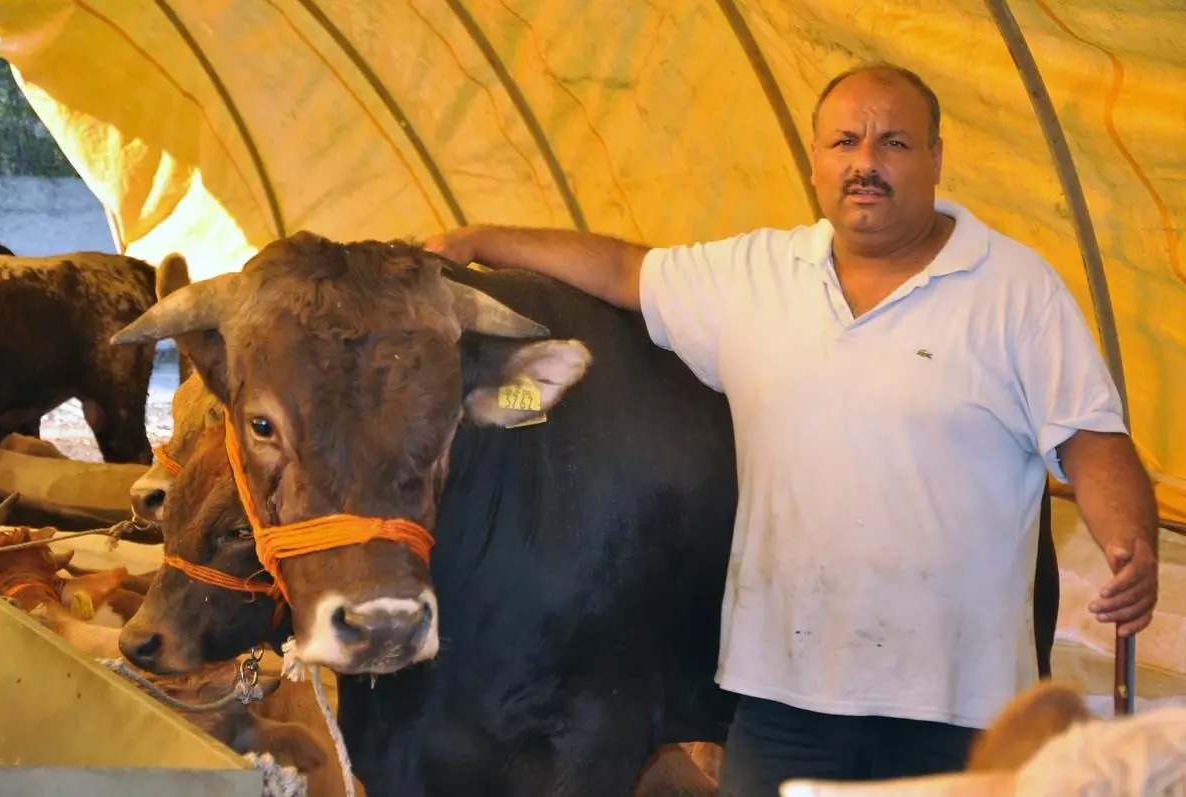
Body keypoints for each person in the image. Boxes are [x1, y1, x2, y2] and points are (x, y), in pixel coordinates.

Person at [422, 63, 1160, 795]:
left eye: (894, 143)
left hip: (960, 702)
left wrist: (1131, 544)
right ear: (814, 162)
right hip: (786, 697)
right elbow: (623, 270)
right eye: (845, 142)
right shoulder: (757, 274)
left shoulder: (1016, 290)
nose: (865, 162)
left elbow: (1090, 436)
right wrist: (483, 239)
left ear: (937, 157)